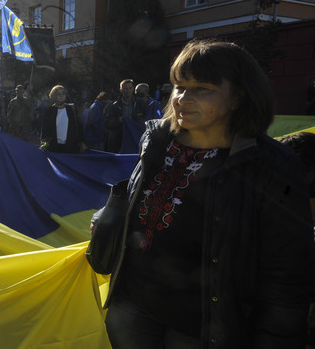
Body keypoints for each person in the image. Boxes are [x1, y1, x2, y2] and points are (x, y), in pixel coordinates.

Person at [97, 40, 312, 347]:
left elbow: (286, 275)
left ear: (238, 96)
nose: (183, 98)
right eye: (179, 86)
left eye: (202, 88)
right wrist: (107, 219)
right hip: (131, 308)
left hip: (201, 328)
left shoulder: (272, 166)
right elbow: (141, 205)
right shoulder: (157, 140)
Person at [40, 85, 84, 153]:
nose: (61, 95)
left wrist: (82, 143)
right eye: (58, 94)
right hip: (54, 148)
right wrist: (44, 144)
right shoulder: (49, 111)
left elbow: (79, 127)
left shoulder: (72, 109)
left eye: (63, 93)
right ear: (54, 96)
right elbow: (45, 131)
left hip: (70, 147)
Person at [103, 78, 138, 153]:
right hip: (118, 140)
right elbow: (108, 123)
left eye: (130, 88)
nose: (128, 90)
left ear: (133, 89)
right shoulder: (113, 106)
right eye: (125, 88)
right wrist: (118, 120)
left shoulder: (140, 105)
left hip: (134, 138)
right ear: (121, 90)